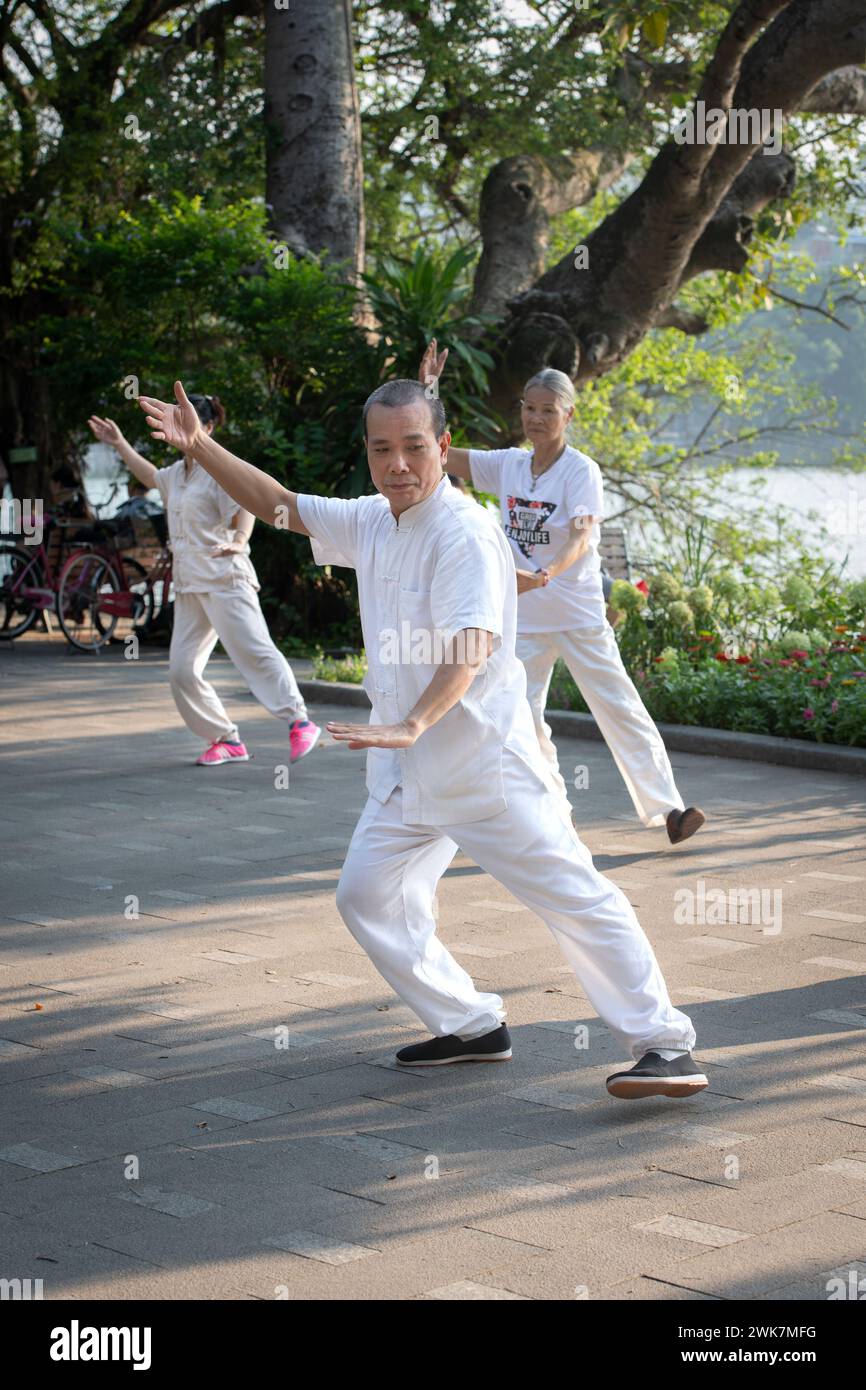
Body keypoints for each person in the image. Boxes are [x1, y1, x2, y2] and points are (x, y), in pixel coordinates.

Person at [134, 377, 707, 1100]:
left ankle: (664, 1045)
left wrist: (413, 723)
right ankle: (470, 1025)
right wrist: (200, 446)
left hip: (481, 768)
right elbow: (278, 506)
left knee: (574, 895)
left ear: (441, 446)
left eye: (413, 447)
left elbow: (470, 644)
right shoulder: (373, 520)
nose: (397, 463)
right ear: (369, 454)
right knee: (366, 896)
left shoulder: (463, 532)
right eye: (382, 450)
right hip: (405, 775)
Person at [420, 341, 705, 846]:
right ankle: (557, 813)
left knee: (618, 706)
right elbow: (439, 453)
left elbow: (580, 535)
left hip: (576, 613)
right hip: (523, 619)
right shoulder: (507, 464)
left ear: (567, 415)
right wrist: (428, 391)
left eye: (547, 411)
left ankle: (670, 810)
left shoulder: (581, 471)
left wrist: (547, 573)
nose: (535, 418)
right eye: (529, 408)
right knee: (521, 715)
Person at [87, 399, 320, 767]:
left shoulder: (218, 470)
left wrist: (240, 541)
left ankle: (300, 720)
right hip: (190, 585)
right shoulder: (177, 474)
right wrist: (119, 444)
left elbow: (246, 505)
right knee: (181, 670)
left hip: (226, 576)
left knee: (253, 652)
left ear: (207, 427)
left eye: (186, 420)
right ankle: (225, 739)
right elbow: (150, 476)